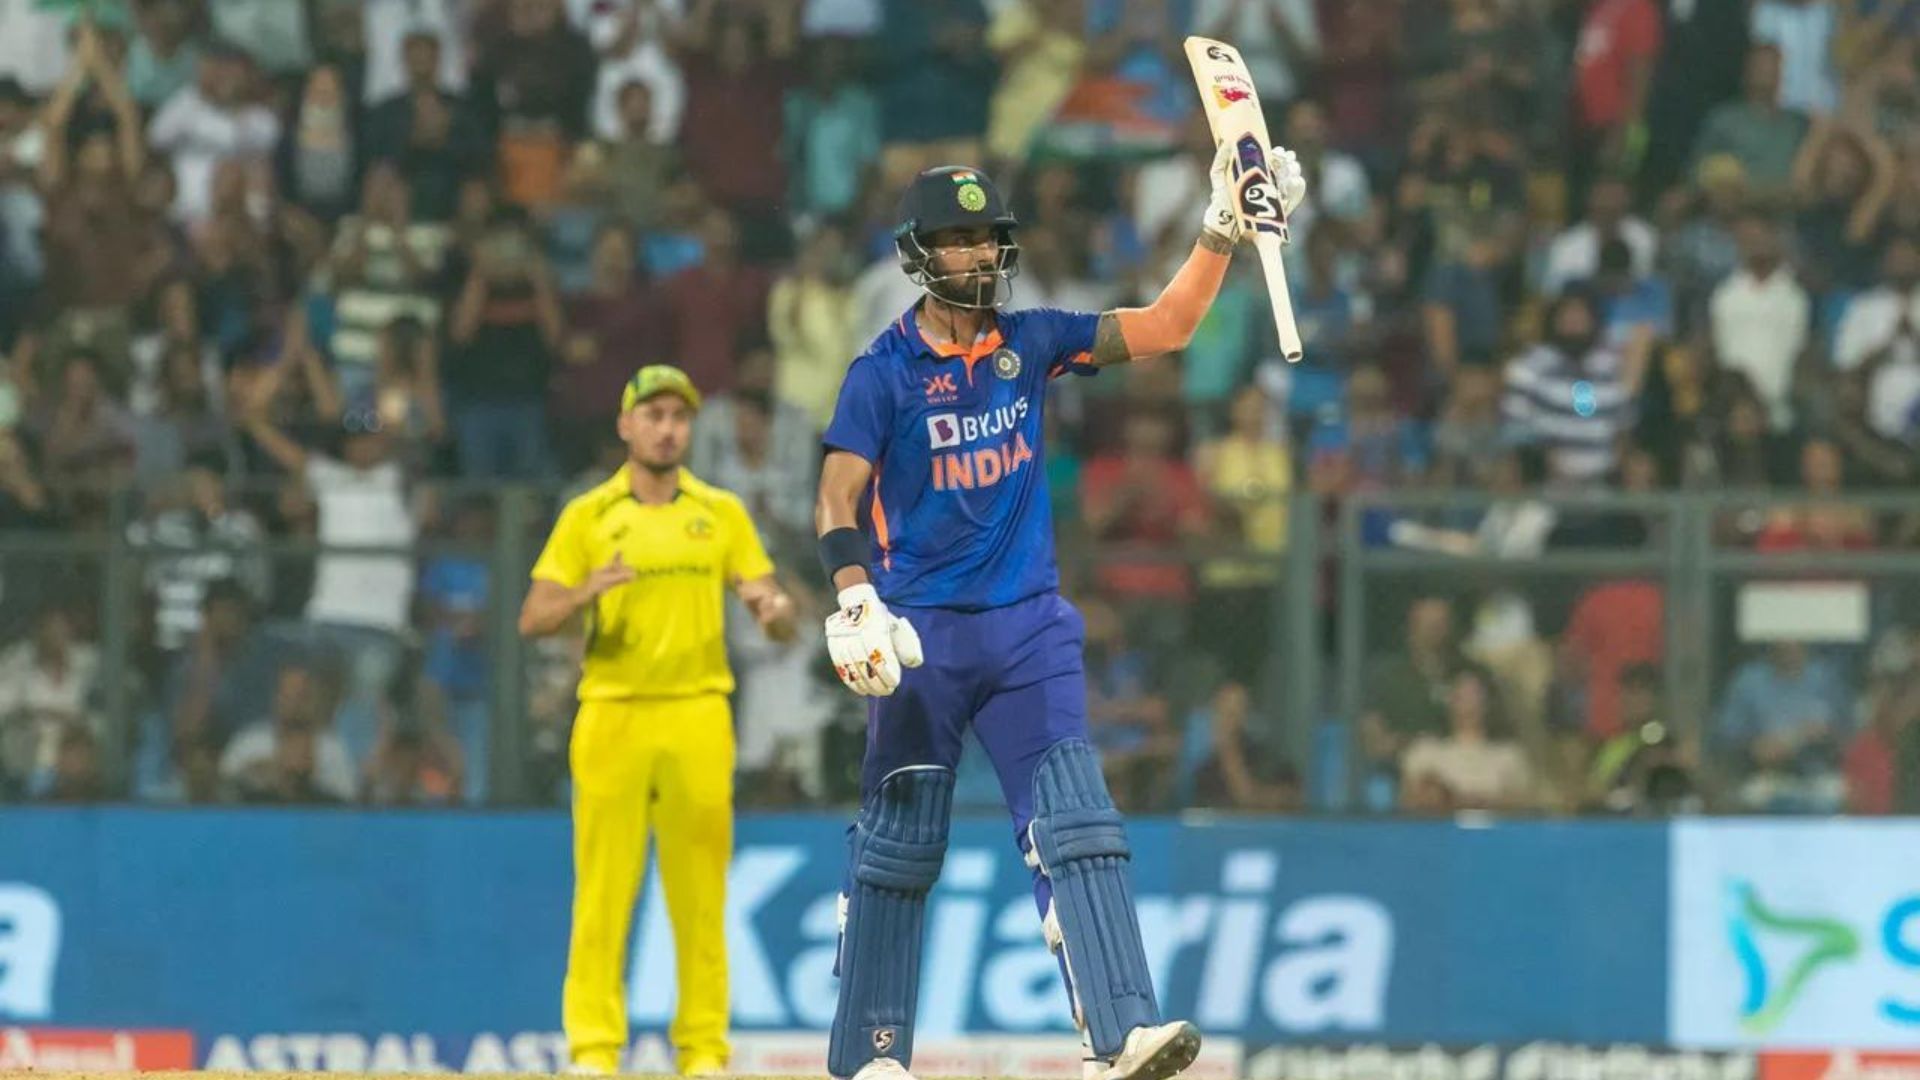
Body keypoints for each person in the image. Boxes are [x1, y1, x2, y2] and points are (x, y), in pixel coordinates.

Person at [812, 143, 1307, 1080]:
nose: (978, 257)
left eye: (988, 238)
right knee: (900, 840)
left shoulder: (1032, 340)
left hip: (1028, 625)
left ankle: (1121, 1032)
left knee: (1076, 821)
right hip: (919, 633)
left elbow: (1165, 327)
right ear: (919, 254)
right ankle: (871, 1056)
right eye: (956, 243)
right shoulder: (881, 372)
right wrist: (855, 596)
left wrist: (1218, 231)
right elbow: (835, 498)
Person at [516, 364, 797, 1077]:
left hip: (699, 713)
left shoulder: (720, 511)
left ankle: (702, 1050)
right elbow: (533, 618)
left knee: (700, 892)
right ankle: (593, 1050)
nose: (668, 428)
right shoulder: (589, 514)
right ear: (626, 425)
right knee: (603, 888)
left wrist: (775, 611)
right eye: (655, 415)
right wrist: (587, 589)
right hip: (611, 713)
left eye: (679, 417)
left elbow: (767, 600)